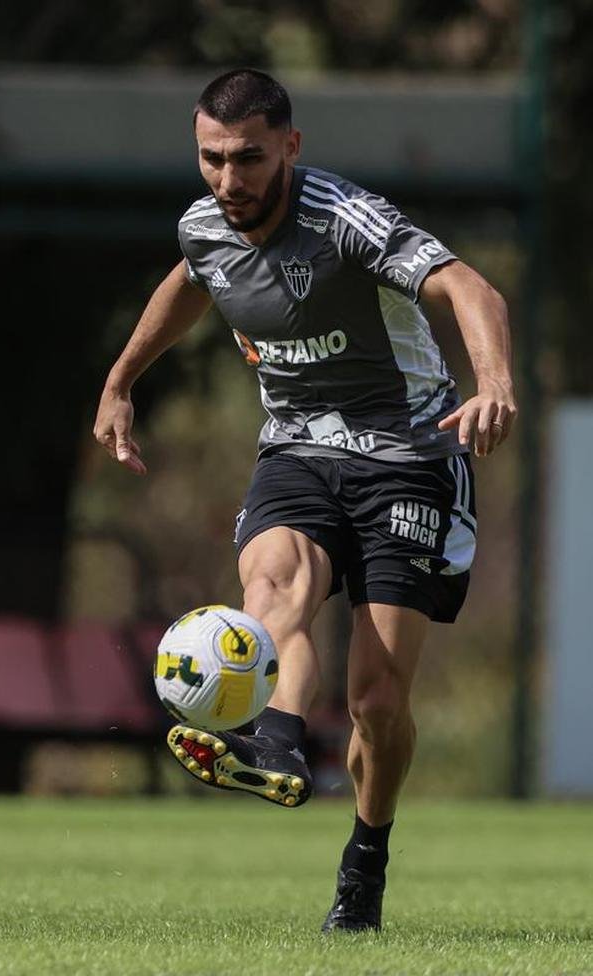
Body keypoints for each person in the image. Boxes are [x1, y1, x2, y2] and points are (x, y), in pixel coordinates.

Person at [94, 68, 517, 932]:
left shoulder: (346, 220)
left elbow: (473, 287)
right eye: (210, 158)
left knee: (377, 701)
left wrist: (496, 381)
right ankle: (279, 737)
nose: (227, 179)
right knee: (274, 584)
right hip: (298, 448)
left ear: (290, 146)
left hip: (411, 455)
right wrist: (122, 378)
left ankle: (367, 855)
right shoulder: (207, 225)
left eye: (247, 158)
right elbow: (192, 279)